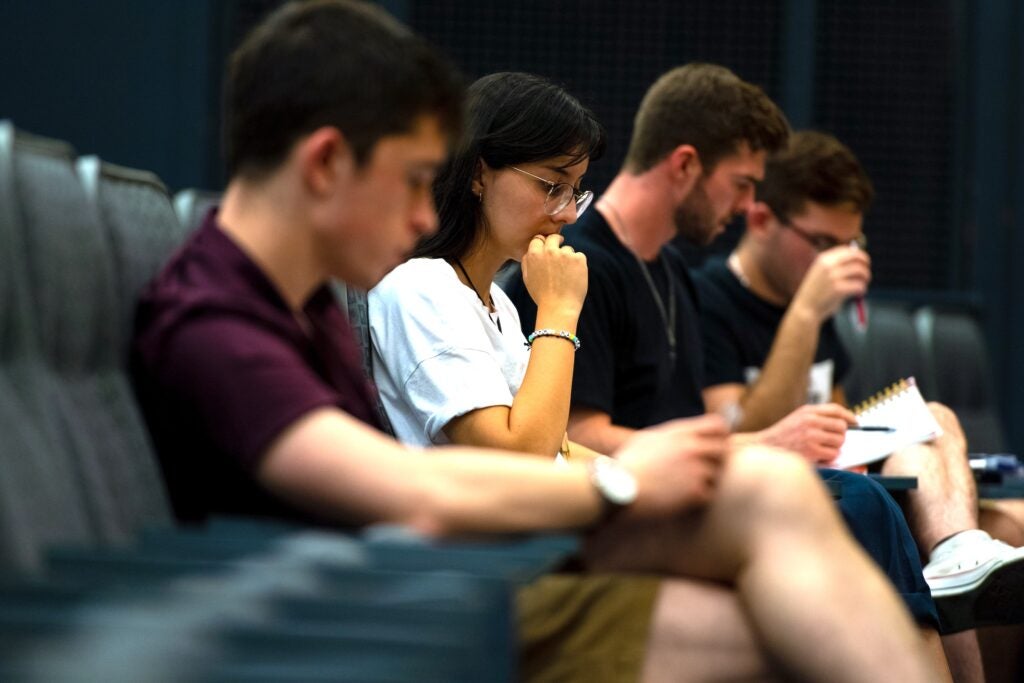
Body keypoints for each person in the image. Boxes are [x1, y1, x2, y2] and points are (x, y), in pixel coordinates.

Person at [131, 4, 940, 681]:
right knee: (789, 586)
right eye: (414, 179)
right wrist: (624, 483)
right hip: (406, 609)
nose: (424, 215)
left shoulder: (290, 303)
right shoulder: (218, 324)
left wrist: (643, 470)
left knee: (777, 510)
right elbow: (421, 490)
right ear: (325, 163)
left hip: (452, 576)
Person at [503, 63, 953, 677]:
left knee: (887, 500)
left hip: (688, 496)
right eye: (741, 185)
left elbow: (719, 421)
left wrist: (751, 441)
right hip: (631, 506)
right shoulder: (580, 266)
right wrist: (757, 443)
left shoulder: (675, 274)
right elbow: (574, 437)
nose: (747, 208)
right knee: (860, 501)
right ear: (685, 165)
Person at [694, 130, 1024, 679]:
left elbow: (839, 419)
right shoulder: (710, 298)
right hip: (776, 499)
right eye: (822, 244)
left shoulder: (814, 306)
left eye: (849, 245)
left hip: (846, 482)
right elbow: (737, 429)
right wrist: (804, 313)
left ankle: (959, 549)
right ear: (760, 221)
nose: (836, 262)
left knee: (1009, 517)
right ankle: (954, 558)